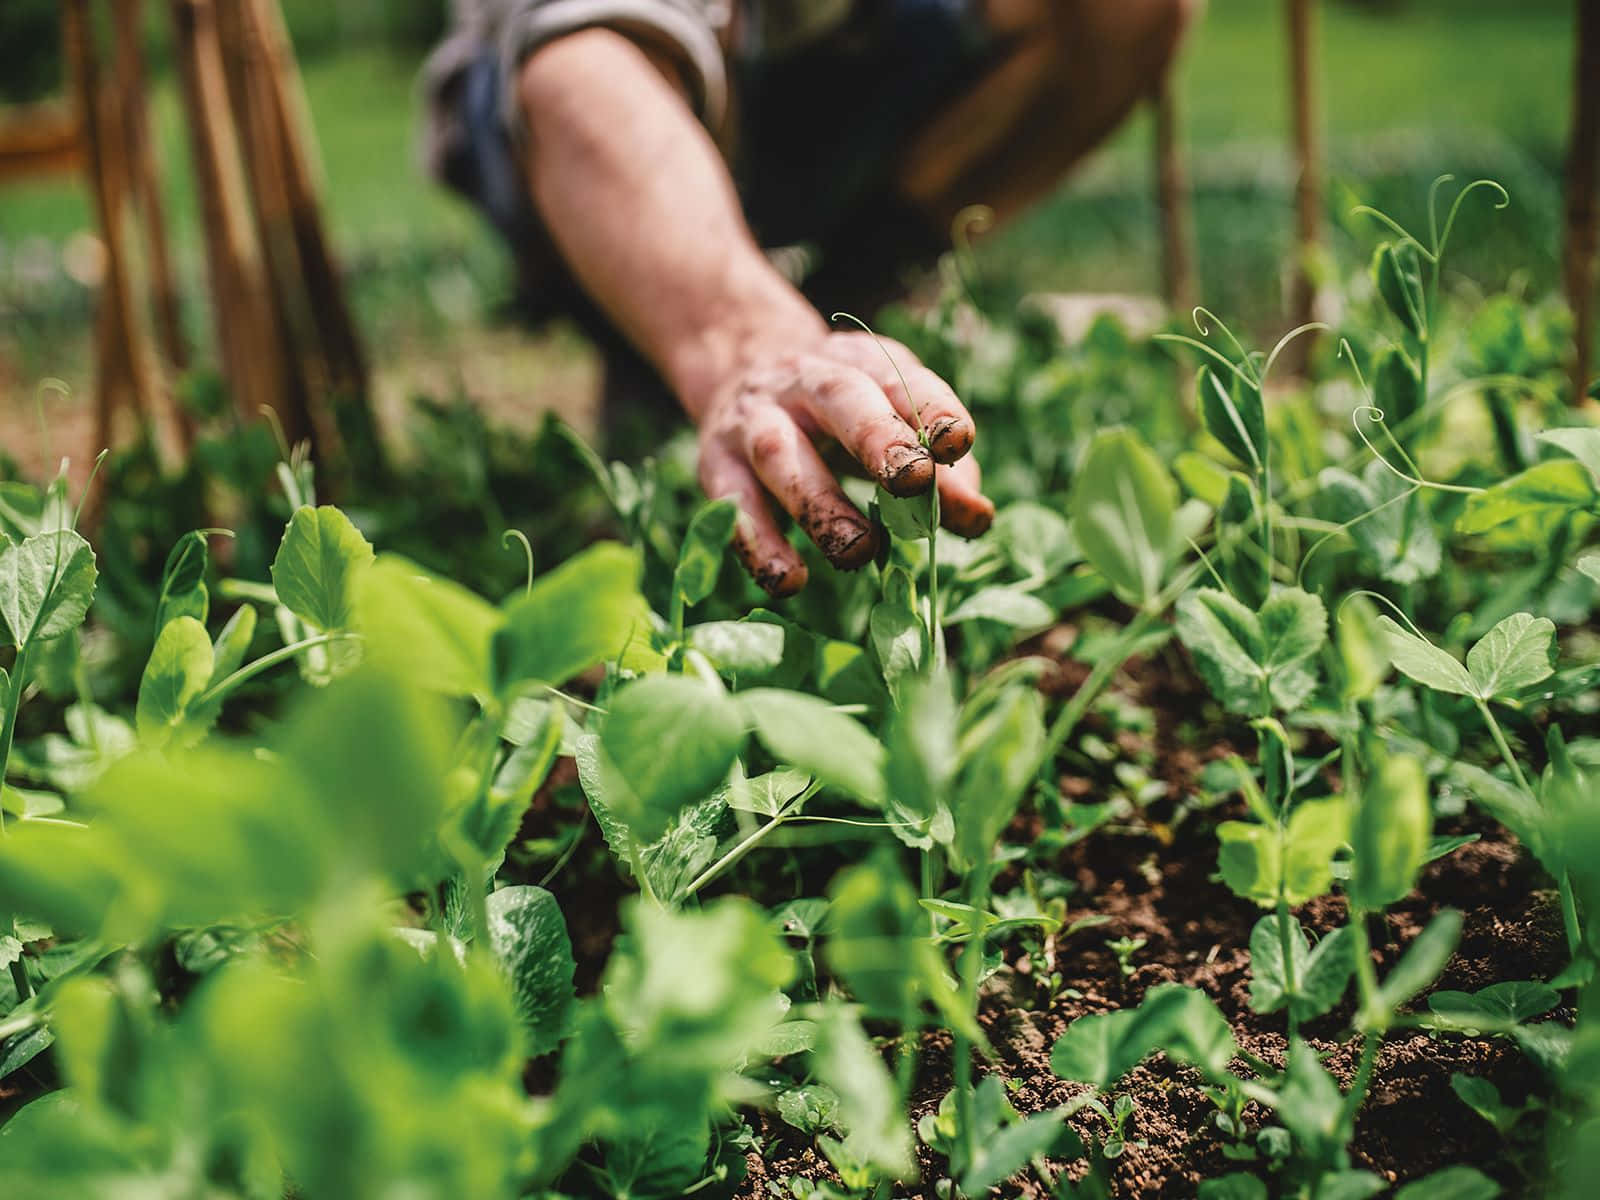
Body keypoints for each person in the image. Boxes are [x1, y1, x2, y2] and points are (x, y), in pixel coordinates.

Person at [421, 0, 1194, 596]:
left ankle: (852, 295)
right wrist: (744, 342)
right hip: (565, 104)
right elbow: (580, 63)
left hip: (837, 71)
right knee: (583, 57)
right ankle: (659, 332)